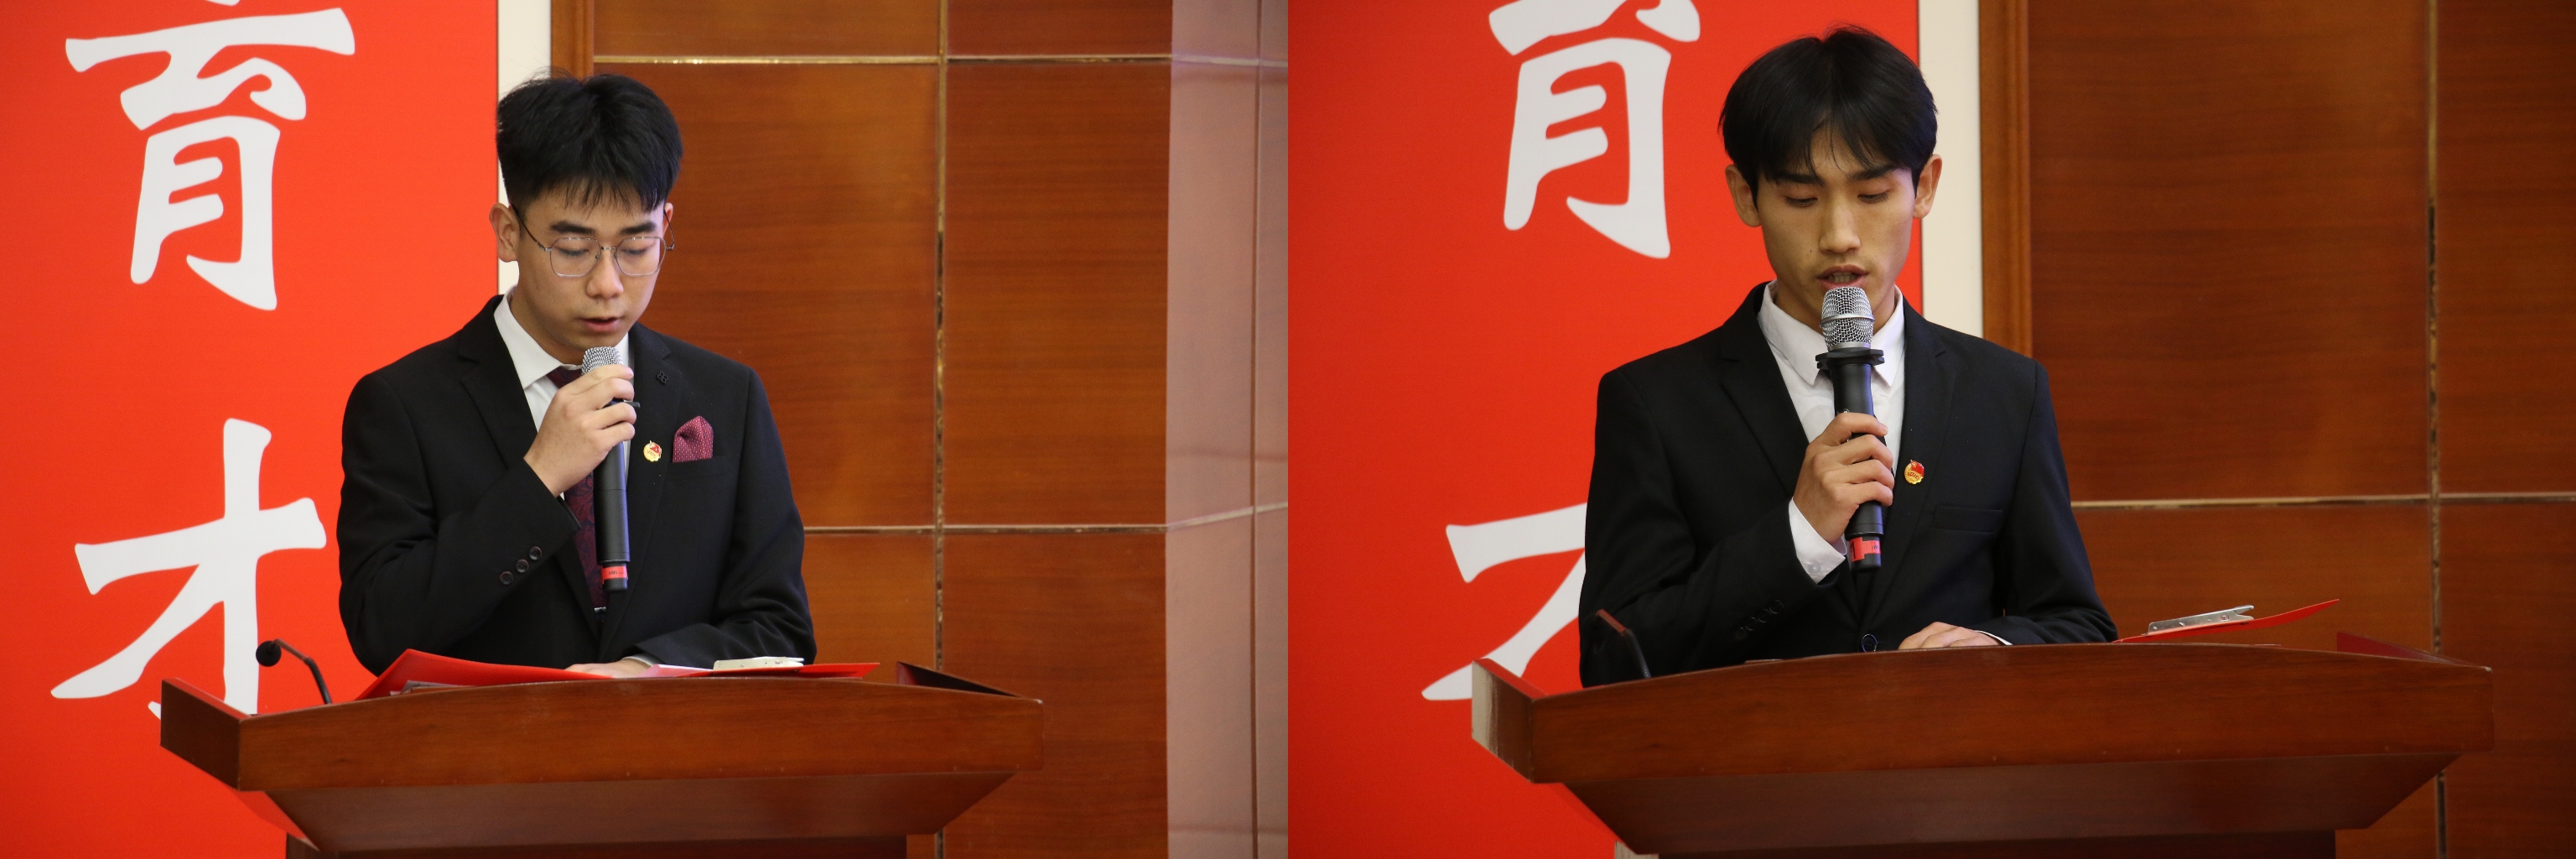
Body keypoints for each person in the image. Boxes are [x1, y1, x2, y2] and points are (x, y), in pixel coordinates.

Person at [1577, 27, 2113, 686]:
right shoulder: (1657, 404)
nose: (1839, 236)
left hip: (1946, 754)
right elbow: (1613, 664)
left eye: (1872, 195)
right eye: (1801, 199)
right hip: (1755, 756)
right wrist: (1800, 535)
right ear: (1746, 194)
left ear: (1924, 187)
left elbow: (2077, 624)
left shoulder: (2004, 391)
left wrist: (1993, 646)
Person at [337, 74, 813, 677]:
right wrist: (538, 479)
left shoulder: (726, 396)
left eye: (636, 248)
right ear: (509, 233)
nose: (607, 284)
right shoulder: (405, 404)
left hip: (672, 736)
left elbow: (779, 627)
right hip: (488, 737)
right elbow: (381, 629)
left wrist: (645, 671)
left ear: (665, 224)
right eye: (573, 250)